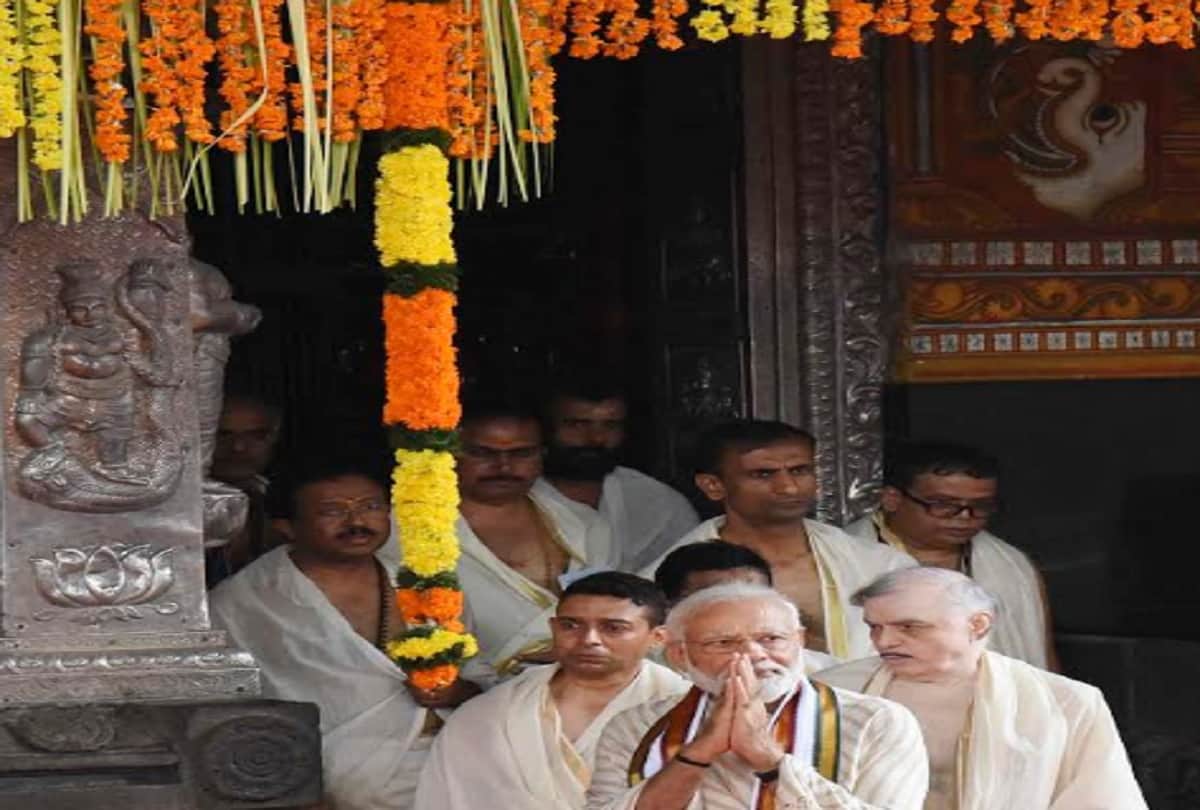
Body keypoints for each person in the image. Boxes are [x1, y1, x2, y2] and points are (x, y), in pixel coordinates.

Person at [210, 458, 478, 810]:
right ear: (286, 526)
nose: (357, 522)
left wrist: (458, 690)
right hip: (338, 780)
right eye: (332, 511)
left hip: (462, 755)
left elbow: (482, 677)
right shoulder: (241, 603)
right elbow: (223, 715)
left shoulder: (427, 584)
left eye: (371, 507)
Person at [815, 568, 1146, 810]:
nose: (884, 642)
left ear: (978, 625)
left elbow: (1102, 799)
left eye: (909, 627)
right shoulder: (833, 691)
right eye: (874, 628)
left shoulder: (1065, 701)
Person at [586, 583, 928, 810]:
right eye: (723, 643)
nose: (753, 654)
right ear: (678, 654)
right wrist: (699, 752)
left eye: (771, 639)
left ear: (799, 641)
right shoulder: (637, 725)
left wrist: (767, 759)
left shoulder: (877, 721)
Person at [415, 572, 688, 810]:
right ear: (553, 628)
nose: (589, 640)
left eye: (613, 628)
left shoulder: (691, 710)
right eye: (571, 625)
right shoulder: (489, 715)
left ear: (658, 638)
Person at [646, 420, 913, 660]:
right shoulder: (658, 583)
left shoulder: (882, 567)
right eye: (763, 474)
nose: (788, 487)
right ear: (713, 486)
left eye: (799, 471)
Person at [843, 441, 1056, 669]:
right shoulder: (843, 557)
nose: (964, 517)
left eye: (981, 506)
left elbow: (1042, 653)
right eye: (943, 504)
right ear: (892, 499)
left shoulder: (1012, 564)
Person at [455, 397, 615, 681]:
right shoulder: (408, 536)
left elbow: (617, 610)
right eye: (483, 453)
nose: (503, 466)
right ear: (451, 453)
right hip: (473, 702)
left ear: (542, 454)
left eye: (521, 453)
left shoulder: (585, 524)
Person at [538, 376, 699, 570]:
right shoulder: (514, 499)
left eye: (610, 425)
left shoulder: (659, 502)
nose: (596, 438)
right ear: (544, 429)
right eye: (578, 425)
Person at [654, 541, 839, 672]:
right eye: (718, 600)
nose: (742, 610)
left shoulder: (827, 674)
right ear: (668, 607)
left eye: (754, 597)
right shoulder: (641, 678)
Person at [207, 393, 284, 585]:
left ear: (275, 437)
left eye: (256, 435)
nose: (238, 447)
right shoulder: (170, 508)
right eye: (223, 434)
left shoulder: (290, 504)